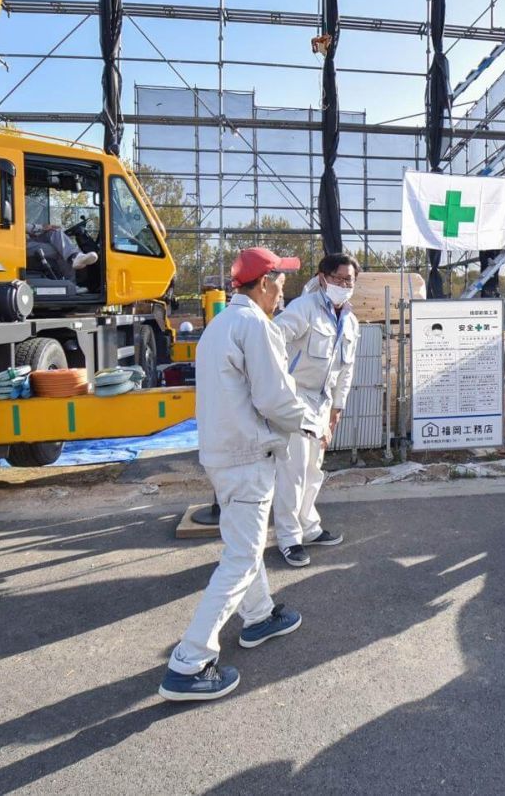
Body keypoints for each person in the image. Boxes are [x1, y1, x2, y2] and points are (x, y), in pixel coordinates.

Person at [159, 247, 310, 702]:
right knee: (242, 558)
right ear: (262, 283)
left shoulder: (220, 324)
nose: (284, 289)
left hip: (223, 454)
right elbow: (275, 397)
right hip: (247, 456)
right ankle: (189, 662)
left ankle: (260, 616)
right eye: (280, 280)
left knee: (242, 542)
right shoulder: (254, 326)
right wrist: (311, 423)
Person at [271, 252, 361, 567]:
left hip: (322, 404)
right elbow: (273, 340)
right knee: (292, 471)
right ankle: (288, 538)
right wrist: (279, 389)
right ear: (323, 278)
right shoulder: (304, 308)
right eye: (339, 279)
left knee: (313, 469)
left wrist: (337, 408)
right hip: (297, 398)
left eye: (349, 280)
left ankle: (309, 526)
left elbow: (345, 370)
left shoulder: (350, 320)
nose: (345, 285)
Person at [26, 222, 97, 278]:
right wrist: (41, 227)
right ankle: (71, 282)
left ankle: (76, 256)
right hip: (20, 245)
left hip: (28, 240)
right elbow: (19, 225)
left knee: (56, 232)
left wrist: (47, 228)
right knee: (61, 250)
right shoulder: (16, 211)